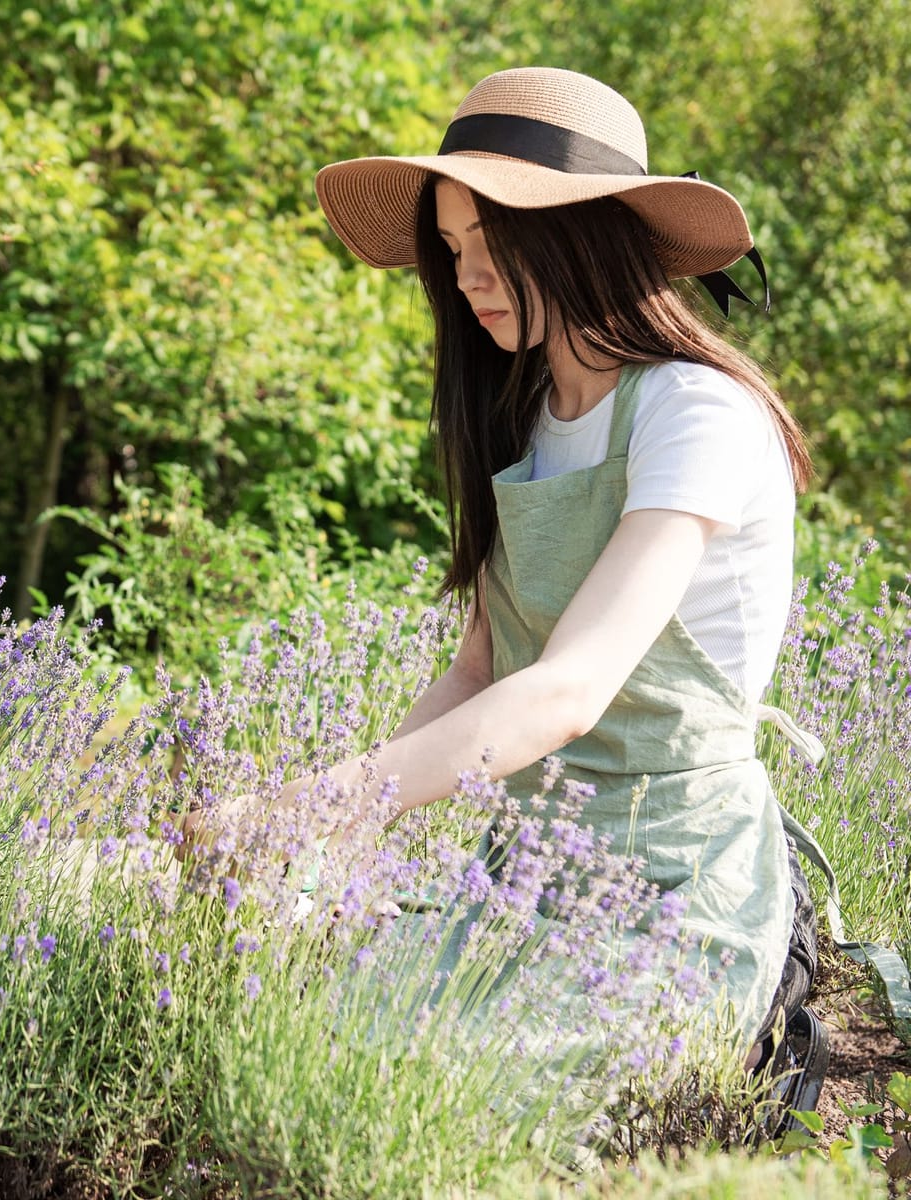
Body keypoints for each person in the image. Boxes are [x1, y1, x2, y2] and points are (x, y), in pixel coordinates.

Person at [188, 66, 826, 1112]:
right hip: (525, 881)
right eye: (454, 250)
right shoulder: (523, 420)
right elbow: (478, 672)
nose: (469, 276)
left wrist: (305, 809)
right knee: (276, 1043)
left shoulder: (696, 414)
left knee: (435, 1096)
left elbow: (565, 690)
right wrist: (334, 842)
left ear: (585, 236)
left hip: (674, 890)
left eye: (495, 245)